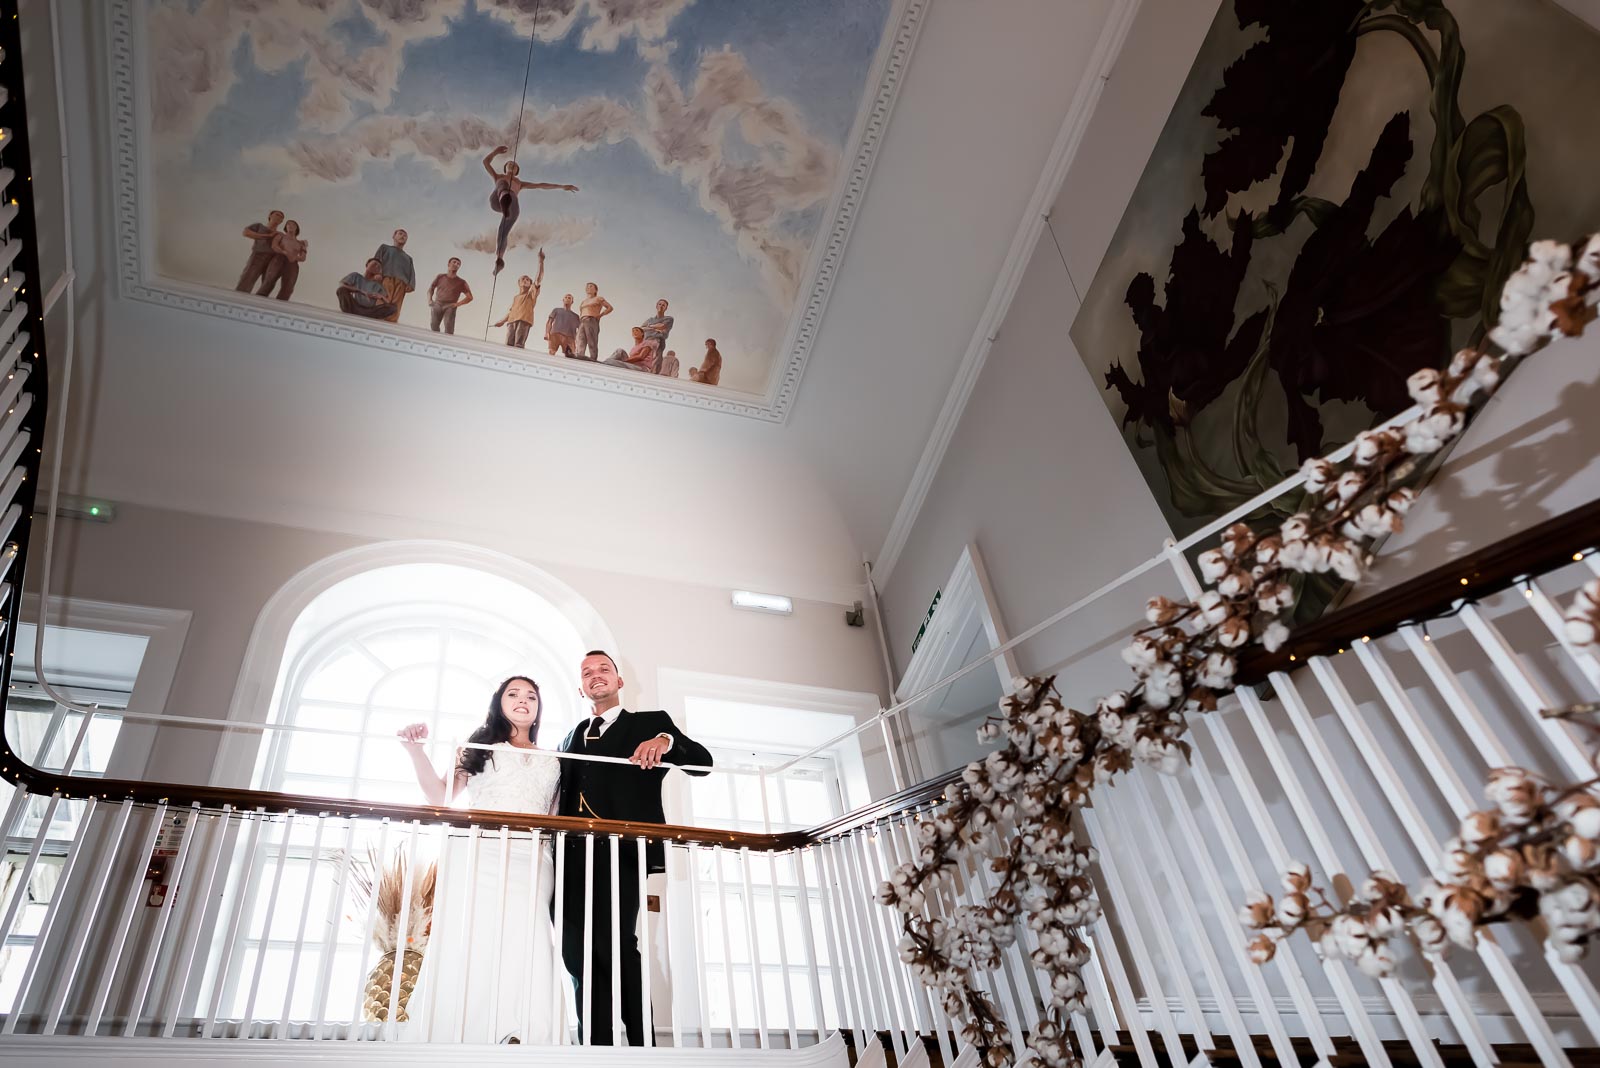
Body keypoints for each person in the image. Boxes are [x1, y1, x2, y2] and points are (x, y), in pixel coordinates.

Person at [397, 678, 566, 1045]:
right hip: (482, 852)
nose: (523, 700)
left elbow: (553, 814)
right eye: (513, 694)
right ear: (498, 702)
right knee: (476, 935)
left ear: (539, 708)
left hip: (533, 859)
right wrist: (415, 751)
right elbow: (439, 796)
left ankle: (527, 1033)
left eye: (531, 696)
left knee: (530, 936)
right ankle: (461, 1033)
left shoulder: (554, 758)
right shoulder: (478, 746)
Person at [556, 651, 711, 1047]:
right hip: (569, 861)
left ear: (619, 681)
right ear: (580, 688)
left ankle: (643, 1048)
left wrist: (666, 741)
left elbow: (702, 764)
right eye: (587, 673)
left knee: (618, 947)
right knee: (577, 955)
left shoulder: (652, 724)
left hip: (622, 853)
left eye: (604, 669)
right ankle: (597, 1048)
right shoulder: (567, 739)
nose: (596, 676)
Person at [483, 145, 578, 275]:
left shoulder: (520, 184)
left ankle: (499, 260)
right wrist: (495, 152)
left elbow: (541, 185)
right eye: (509, 164)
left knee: (503, 231)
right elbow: (486, 162)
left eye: (514, 165)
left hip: (512, 207)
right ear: (505, 168)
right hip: (496, 202)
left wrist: (562, 186)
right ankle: (504, 198)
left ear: (517, 171)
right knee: (502, 184)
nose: (512, 164)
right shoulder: (498, 176)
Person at [494, 251, 544, 348]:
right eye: (523, 279)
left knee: (518, 345)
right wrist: (502, 321)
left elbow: (538, 278)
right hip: (511, 322)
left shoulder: (531, 294)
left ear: (530, 284)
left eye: (528, 280)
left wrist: (541, 262)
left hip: (523, 321)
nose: (525, 281)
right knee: (508, 345)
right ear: (519, 283)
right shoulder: (516, 298)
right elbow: (511, 312)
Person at [256, 220, 307, 301]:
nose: (290, 226)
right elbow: (274, 246)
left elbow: (303, 258)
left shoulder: (300, 243)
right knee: (270, 279)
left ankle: (280, 305)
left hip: (292, 263)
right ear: (285, 227)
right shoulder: (281, 236)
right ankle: (258, 300)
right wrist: (285, 252)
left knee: (289, 286)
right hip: (279, 259)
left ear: (297, 228)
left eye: (293, 225)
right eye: (288, 225)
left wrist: (300, 252)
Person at [373, 229, 416, 323]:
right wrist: (377, 273)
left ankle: (391, 323)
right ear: (394, 236)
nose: (402, 236)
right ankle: (377, 320)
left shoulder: (408, 258)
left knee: (396, 306)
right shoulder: (385, 248)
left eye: (405, 236)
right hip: (387, 279)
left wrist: (411, 284)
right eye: (400, 234)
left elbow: (411, 272)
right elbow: (376, 261)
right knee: (383, 299)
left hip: (401, 284)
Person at [236, 210, 284, 292]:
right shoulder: (259, 226)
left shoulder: (280, 234)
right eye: (277, 215)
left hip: (273, 260)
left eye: (281, 217)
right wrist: (267, 235)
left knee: (267, 284)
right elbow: (246, 233)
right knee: (247, 279)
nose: (279, 217)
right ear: (270, 215)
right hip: (258, 256)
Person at [427, 257, 474, 334]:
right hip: (438, 303)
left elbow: (470, 297)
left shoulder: (461, 282)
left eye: (458, 264)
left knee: (449, 327)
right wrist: (429, 300)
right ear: (449, 264)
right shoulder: (440, 277)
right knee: (434, 325)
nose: (456, 264)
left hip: (450, 306)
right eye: (454, 262)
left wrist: (457, 304)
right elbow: (431, 288)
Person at [575, 282, 612, 361]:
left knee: (592, 341)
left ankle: (593, 359)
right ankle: (579, 359)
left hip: (591, 320)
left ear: (595, 290)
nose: (588, 288)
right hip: (582, 321)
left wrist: (600, 315)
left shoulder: (598, 298)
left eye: (591, 286)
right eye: (587, 287)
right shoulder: (584, 301)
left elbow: (609, 307)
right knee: (580, 341)